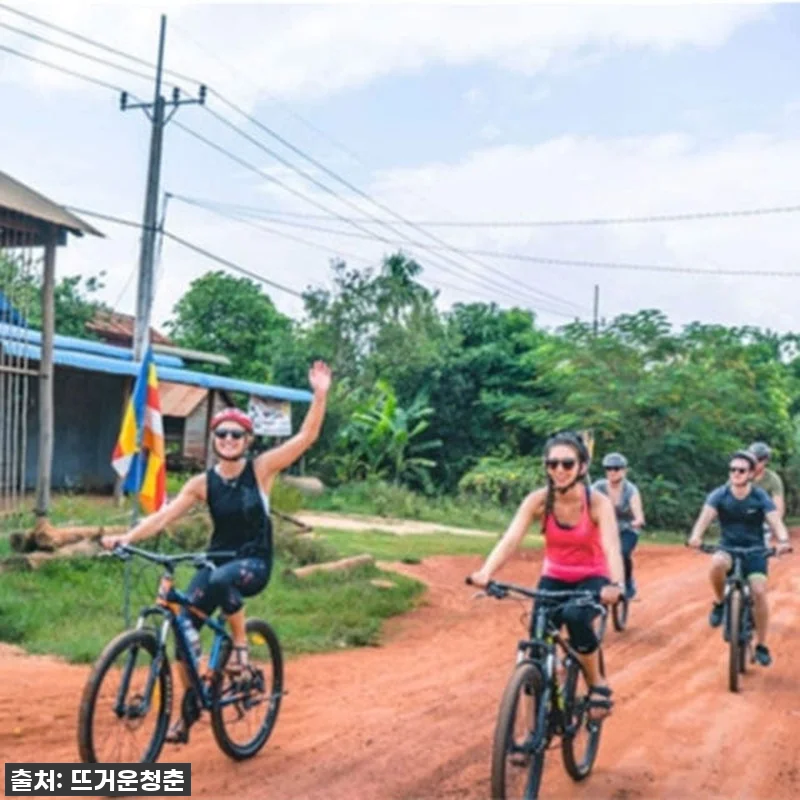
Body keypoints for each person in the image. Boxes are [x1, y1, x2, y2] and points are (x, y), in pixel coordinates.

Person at [103, 360, 332, 741]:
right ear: (214, 439)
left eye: (236, 435)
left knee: (224, 580)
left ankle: (240, 643)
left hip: (253, 563)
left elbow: (306, 437)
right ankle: (188, 712)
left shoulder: (261, 470)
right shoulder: (202, 483)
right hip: (216, 561)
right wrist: (126, 538)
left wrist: (320, 395)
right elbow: (163, 517)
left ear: (248, 441)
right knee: (182, 626)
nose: (228, 440)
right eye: (222, 434)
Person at [469, 431, 624, 719]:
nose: (559, 471)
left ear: (582, 467)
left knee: (577, 619)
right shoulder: (538, 501)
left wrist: (616, 585)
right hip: (553, 577)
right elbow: (510, 539)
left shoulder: (597, 503)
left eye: (567, 463)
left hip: (591, 577)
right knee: (536, 651)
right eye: (552, 464)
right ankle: (529, 731)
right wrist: (486, 572)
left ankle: (596, 682)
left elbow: (612, 547)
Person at [687, 450, 792, 667]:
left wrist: (782, 540)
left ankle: (761, 644)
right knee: (716, 563)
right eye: (733, 469)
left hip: (755, 551)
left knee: (759, 592)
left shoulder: (759, 497)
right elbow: (704, 517)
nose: (736, 473)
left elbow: (775, 520)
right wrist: (696, 536)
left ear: (751, 474)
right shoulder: (720, 494)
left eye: (741, 470)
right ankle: (719, 602)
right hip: (727, 548)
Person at [592, 453, 645, 600]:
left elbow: (638, 512)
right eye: (608, 468)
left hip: (627, 529)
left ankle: (628, 583)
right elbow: (586, 503)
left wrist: (638, 520)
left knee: (622, 553)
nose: (612, 472)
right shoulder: (598, 487)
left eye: (616, 468)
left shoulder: (631, 490)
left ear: (624, 470)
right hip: (605, 529)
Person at [748, 442, 785, 546]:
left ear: (766, 461)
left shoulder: (773, 479)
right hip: (739, 519)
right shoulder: (739, 473)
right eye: (752, 459)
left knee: (758, 552)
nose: (755, 463)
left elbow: (778, 507)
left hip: (762, 522)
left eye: (759, 460)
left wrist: (775, 527)